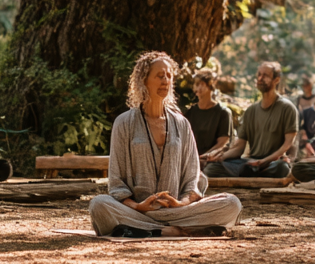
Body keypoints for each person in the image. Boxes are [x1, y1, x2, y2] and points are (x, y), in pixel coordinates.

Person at [89, 52, 242, 237]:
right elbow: (116, 181)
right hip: (138, 212)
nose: (166, 80)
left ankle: (146, 231)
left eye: (169, 76)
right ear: (144, 80)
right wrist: (138, 206)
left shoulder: (181, 124)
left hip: (178, 212)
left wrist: (181, 203)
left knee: (232, 203)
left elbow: (192, 177)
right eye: (160, 75)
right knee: (99, 205)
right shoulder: (124, 123)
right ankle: (166, 230)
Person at [204, 61, 300, 179]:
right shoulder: (250, 111)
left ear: (276, 80)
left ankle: (251, 172)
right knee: (212, 168)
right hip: (250, 162)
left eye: (265, 75)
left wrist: (263, 161)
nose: (260, 78)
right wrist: (220, 158)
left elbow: (287, 145)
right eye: (259, 74)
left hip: (272, 163)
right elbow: (239, 147)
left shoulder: (287, 108)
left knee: (282, 168)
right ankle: (250, 171)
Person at [184, 68, 232, 161]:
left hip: (213, 160)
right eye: (197, 84)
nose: (199, 88)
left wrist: (204, 157)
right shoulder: (190, 112)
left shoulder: (223, 113)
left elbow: (222, 143)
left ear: (211, 86)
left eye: (202, 84)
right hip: (190, 160)